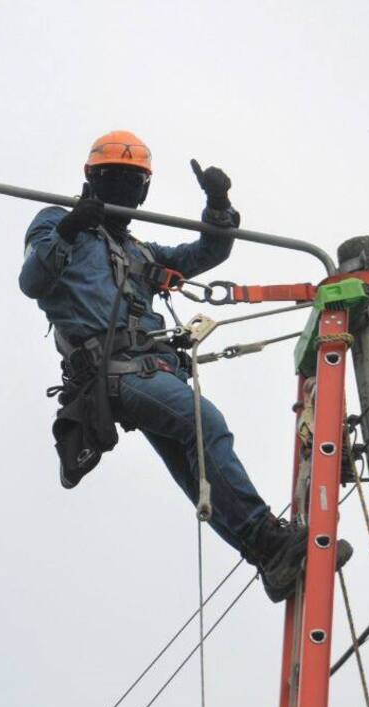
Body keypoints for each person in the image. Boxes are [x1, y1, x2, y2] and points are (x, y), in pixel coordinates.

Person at [18, 131, 348, 602]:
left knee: (198, 469)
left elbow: (206, 253)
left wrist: (218, 203)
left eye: (134, 183)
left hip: (155, 370)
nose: (125, 191)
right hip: (116, 371)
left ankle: (267, 556)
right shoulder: (56, 223)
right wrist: (71, 228)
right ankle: (269, 538)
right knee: (204, 423)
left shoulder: (139, 253)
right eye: (115, 179)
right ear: (91, 180)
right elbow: (32, 280)